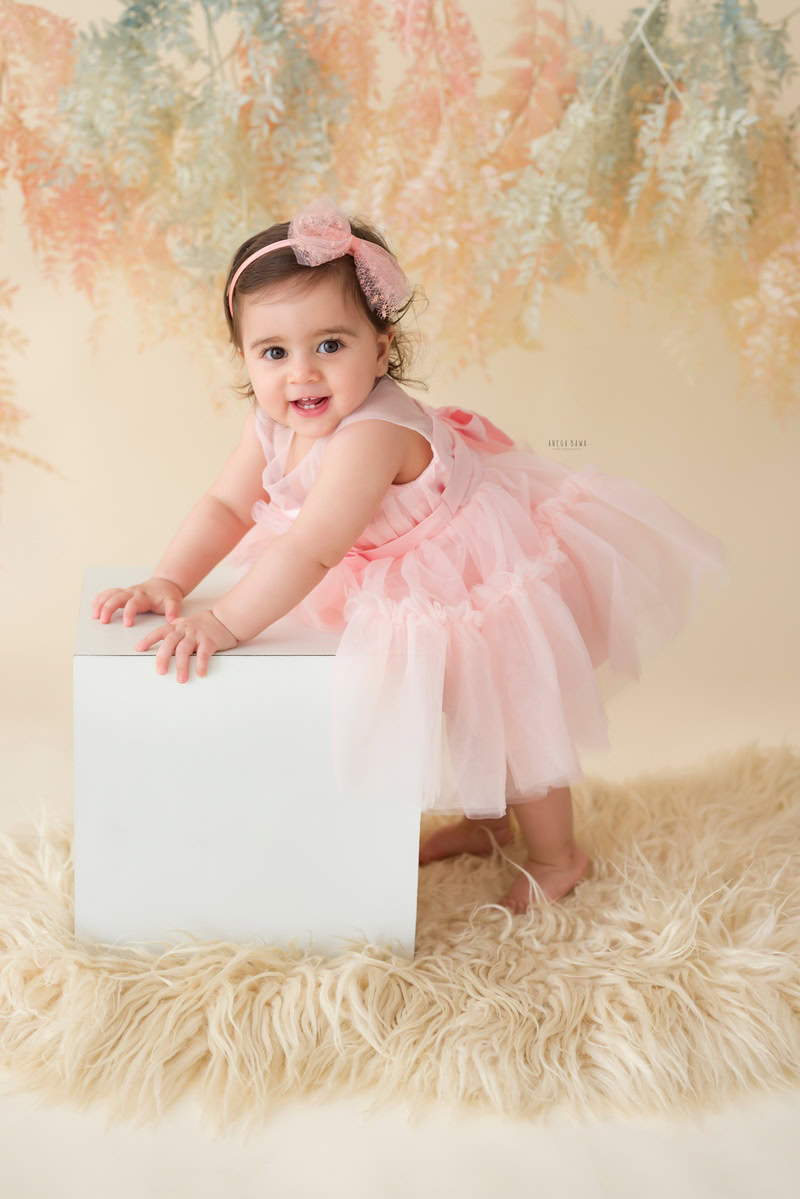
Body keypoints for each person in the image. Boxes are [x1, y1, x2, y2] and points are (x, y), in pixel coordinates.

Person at [91, 194, 732, 914]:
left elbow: (311, 547)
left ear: (380, 347)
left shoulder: (372, 432)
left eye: (330, 346)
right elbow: (226, 505)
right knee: (455, 703)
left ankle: (559, 856)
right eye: (274, 353)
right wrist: (170, 577)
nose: (302, 374)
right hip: (385, 562)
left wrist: (224, 622)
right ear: (245, 357)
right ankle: (488, 821)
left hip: (465, 563)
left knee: (510, 713)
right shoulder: (272, 422)